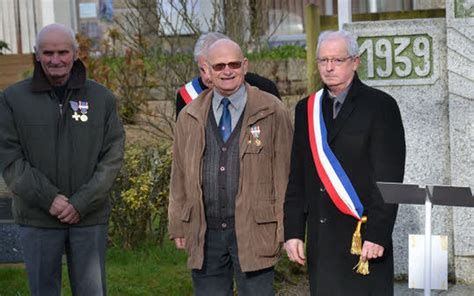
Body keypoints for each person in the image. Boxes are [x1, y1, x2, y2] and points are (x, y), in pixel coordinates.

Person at [0, 23, 125, 296]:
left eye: (62, 52)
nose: (55, 60)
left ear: (76, 53)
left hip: (88, 217)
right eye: (47, 53)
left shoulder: (101, 98)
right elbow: (9, 158)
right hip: (38, 217)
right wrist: (49, 199)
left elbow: (113, 157)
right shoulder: (12, 99)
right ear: (36, 54)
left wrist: (81, 202)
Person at [283, 30, 406, 296]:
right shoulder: (307, 109)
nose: (328, 67)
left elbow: (388, 178)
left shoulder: (381, 106)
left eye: (337, 60)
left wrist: (377, 233)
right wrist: (293, 231)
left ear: (355, 61)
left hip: (362, 238)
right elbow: (298, 176)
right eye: (323, 60)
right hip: (322, 240)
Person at [168, 38, 293, 295]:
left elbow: (286, 173)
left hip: (255, 229)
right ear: (208, 71)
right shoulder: (189, 115)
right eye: (219, 66)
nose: (227, 71)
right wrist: (178, 224)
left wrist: (287, 228)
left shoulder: (272, 110)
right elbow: (179, 174)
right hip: (206, 232)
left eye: (234, 64)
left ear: (245, 66)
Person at [176, 32, 281, 117]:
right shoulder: (187, 95)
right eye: (203, 69)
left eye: (218, 66)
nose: (208, 77)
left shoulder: (264, 88)